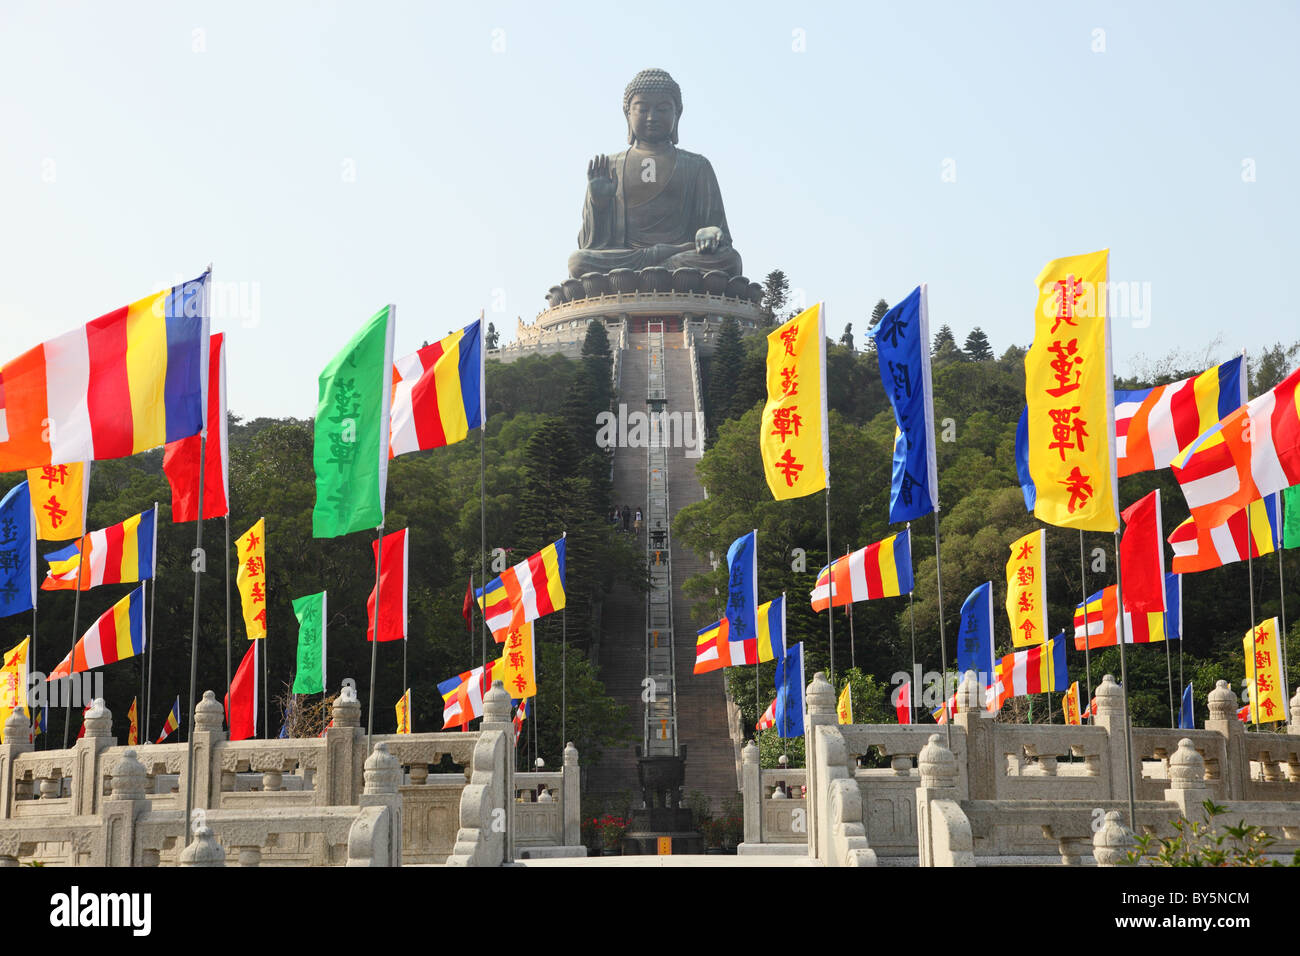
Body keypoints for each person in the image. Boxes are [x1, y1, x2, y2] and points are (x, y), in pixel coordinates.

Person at [566, 69, 743, 279]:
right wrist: (599, 205)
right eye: (642, 109)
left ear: (678, 113)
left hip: (680, 257)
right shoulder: (609, 166)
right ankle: (658, 271)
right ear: (627, 113)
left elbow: (718, 232)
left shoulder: (697, 166)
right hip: (629, 259)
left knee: (729, 260)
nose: (652, 117)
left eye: (662, 109)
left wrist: (711, 232)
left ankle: (654, 271)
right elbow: (590, 245)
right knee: (578, 262)